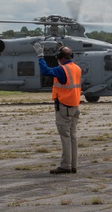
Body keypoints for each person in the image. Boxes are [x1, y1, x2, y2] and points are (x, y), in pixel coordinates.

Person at [34, 42, 82, 174]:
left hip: (64, 108)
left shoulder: (62, 70)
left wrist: (40, 57)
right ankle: (74, 165)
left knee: (65, 136)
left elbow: (46, 71)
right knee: (73, 136)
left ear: (60, 57)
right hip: (75, 107)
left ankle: (66, 165)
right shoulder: (76, 68)